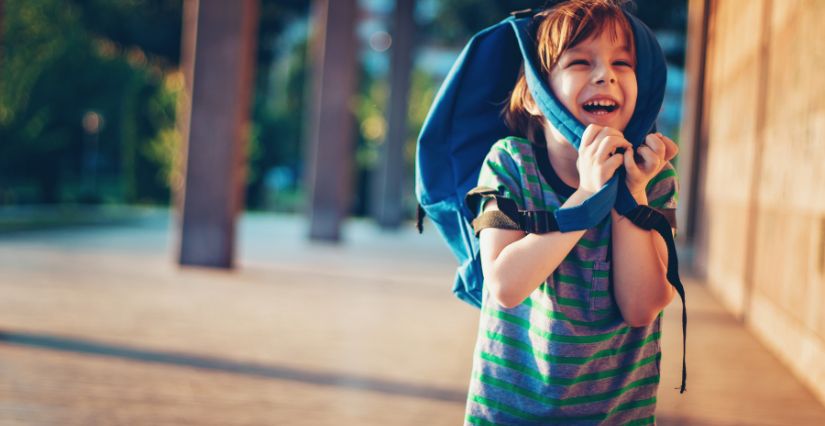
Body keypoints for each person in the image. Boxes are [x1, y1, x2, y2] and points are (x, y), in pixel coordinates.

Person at [463, 0, 680, 424]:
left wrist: (628, 193)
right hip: (510, 413)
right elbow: (505, 285)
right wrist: (587, 194)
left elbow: (642, 307)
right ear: (533, 94)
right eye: (581, 62)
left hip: (616, 415)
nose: (607, 75)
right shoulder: (510, 163)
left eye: (623, 62)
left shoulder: (653, 176)